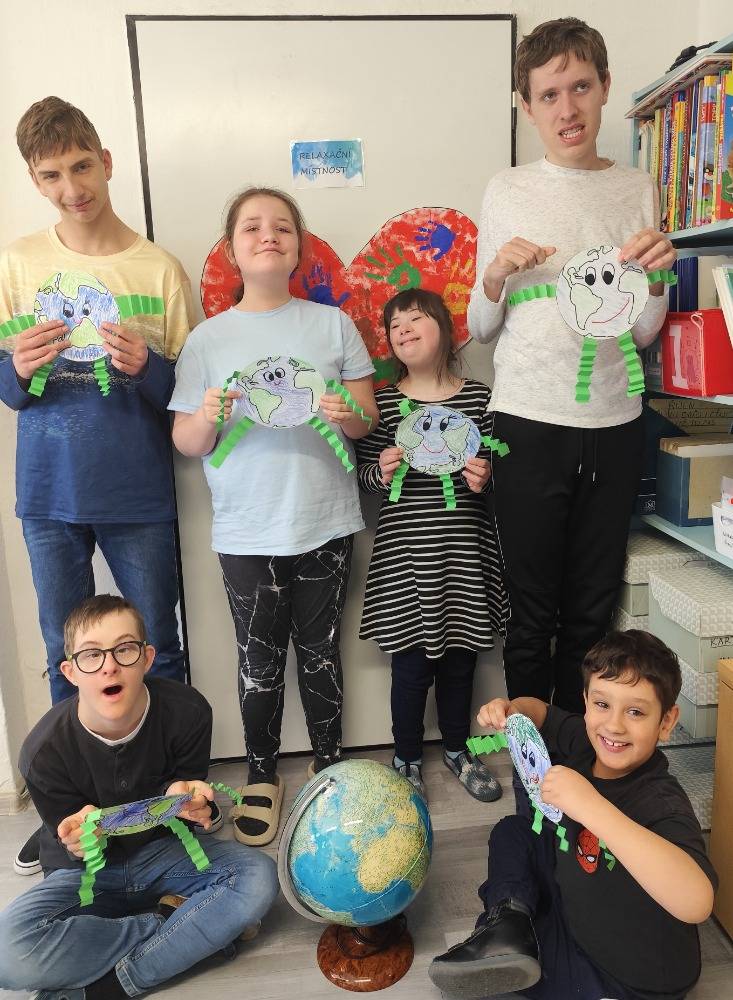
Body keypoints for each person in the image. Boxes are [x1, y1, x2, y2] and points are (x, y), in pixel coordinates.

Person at [0, 97, 194, 876]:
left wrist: (147, 369)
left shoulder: (158, 268)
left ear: (107, 162)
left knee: (158, 648)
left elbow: (186, 394)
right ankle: (67, 817)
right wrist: (17, 370)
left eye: (81, 167)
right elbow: (7, 391)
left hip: (138, 491)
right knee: (64, 653)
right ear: (33, 179)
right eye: (51, 175)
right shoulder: (17, 263)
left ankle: (173, 800)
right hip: (48, 492)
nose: (71, 188)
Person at [467, 19, 676, 713]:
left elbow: (642, 331)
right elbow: (479, 328)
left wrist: (655, 280)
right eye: (549, 95)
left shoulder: (637, 188)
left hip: (615, 423)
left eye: (580, 87)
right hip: (527, 422)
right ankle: (535, 765)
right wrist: (494, 275)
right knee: (531, 613)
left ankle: (581, 758)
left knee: (591, 611)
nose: (567, 109)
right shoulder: (507, 189)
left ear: (605, 87)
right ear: (526, 107)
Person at [169, 186, 378, 846]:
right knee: (257, 661)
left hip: (324, 521)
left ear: (299, 247)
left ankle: (328, 765)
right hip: (246, 527)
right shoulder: (208, 338)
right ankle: (261, 774)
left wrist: (348, 413)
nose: (268, 235)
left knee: (320, 653)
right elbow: (185, 441)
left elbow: (366, 421)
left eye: (282, 227)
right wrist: (208, 416)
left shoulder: (331, 325)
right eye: (252, 227)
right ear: (231, 250)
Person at [0, 594, 279, 1000]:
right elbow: (70, 842)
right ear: (70, 672)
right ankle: (176, 924)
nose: (109, 665)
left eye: (124, 649)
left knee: (259, 879)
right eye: (91, 654)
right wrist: (79, 842)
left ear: (147, 658)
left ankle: (114, 985)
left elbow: (187, 795)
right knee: (7, 952)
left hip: (163, 853)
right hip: (87, 876)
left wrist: (188, 802)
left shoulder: (189, 712)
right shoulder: (41, 751)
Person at [429, 630, 717, 1000]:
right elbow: (541, 712)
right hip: (578, 908)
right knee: (513, 832)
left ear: (666, 721)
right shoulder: (586, 742)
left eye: (635, 712)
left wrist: (592, 806)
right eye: (602, 704)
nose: (614, 725)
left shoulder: (661, 801)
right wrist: (512, 710)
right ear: (586, 701)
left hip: (626, 973)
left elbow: (697, 901)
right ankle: (510, 925)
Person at [355, 289, 508, 802]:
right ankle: (406, 757)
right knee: (411, 666)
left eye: (416, 318)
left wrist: (486, 478)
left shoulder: (478, 398)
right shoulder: (383, 403)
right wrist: (380, 471)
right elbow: (363, 478)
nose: (403, 328)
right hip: (405, 558)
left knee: (461, 661)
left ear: (445, 328)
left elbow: (501, 471)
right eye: (394, 324)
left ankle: (459, 749)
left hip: (464, 555)